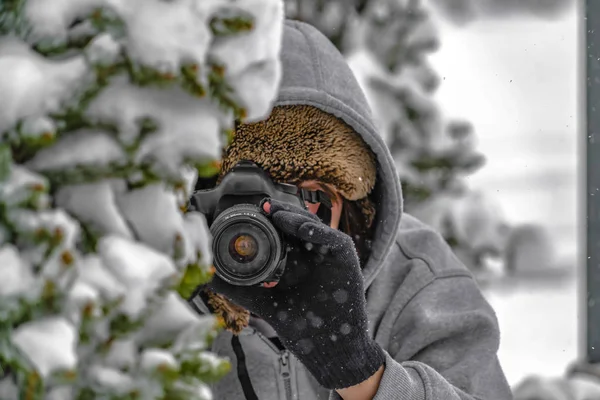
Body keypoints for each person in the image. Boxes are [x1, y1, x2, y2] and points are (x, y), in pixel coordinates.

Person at [189, 19, 512, 400]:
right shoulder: (143, 284)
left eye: (308, 197)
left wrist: (362, 372)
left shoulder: (413, 278)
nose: (267, 228)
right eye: (240, 198)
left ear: (353, 202)